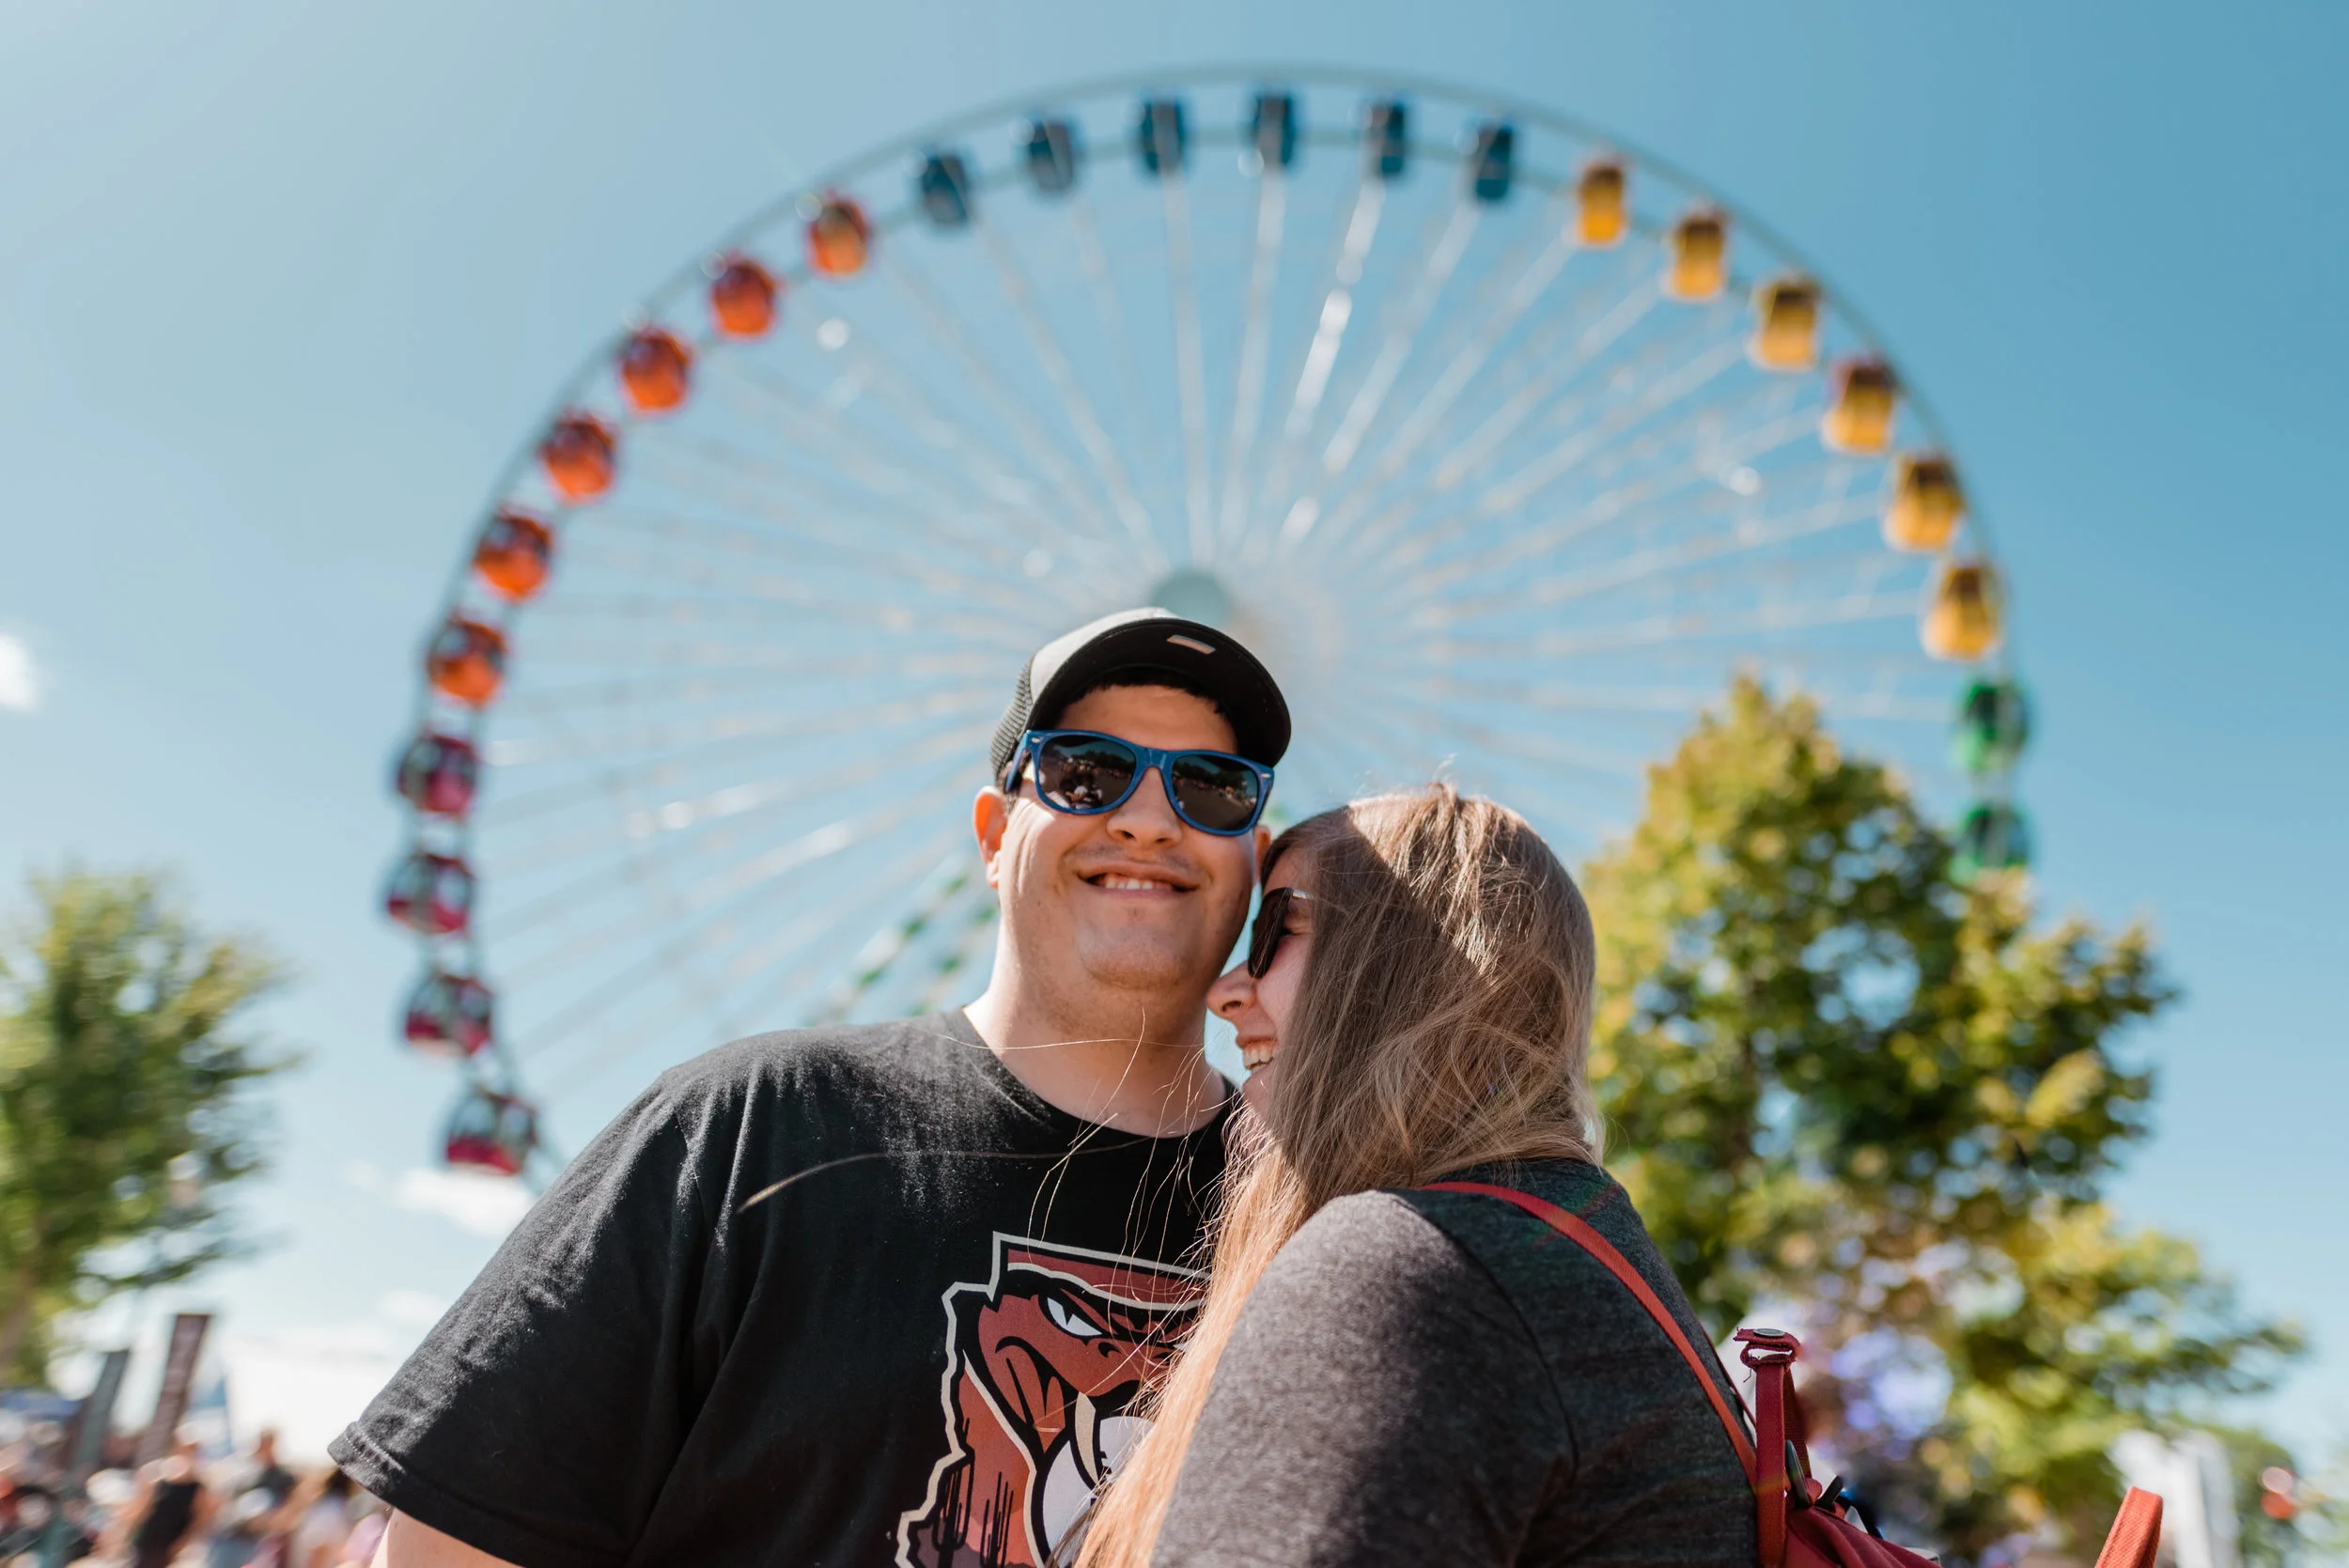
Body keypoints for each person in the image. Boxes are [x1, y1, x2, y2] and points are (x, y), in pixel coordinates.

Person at [331, 608, 1293, 1568]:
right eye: (1084, 772)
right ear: (995, 836)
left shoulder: (1310, 1207)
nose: (1147, 817)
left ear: (1251, 858)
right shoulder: (749, 1126)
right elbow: (447, 1549)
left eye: (1212, 789)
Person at [1078, 785, 1758, 1568]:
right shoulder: (1584, 1253)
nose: (1228, 988)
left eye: (1276, 930)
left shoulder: (1407, 1268)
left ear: (1398, 961)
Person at [114, 1436, 213, 1568]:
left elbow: (201, 1518)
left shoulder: (199, 1487)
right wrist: (122, 1534)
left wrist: (185, 1541)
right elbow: (140, 1508)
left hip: (169, 1544)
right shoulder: (157, 1476)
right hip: (147, 1538)